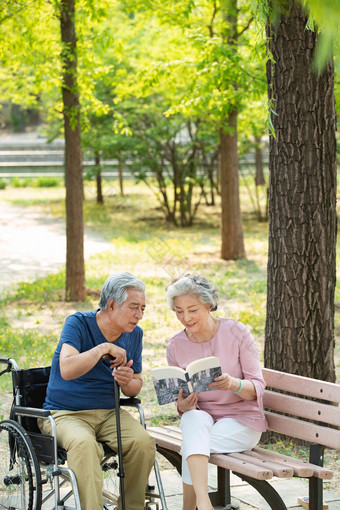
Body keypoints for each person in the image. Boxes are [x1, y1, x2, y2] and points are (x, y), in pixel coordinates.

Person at [38, 272, 156, 510]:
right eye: (134, 307)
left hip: (108, 413)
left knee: (143, 442)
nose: (139, 315)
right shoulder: (78, 323)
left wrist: (126, 382)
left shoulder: (135, 334)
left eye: (143, 308)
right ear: (112, 305)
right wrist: (103, 348)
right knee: (84, 444)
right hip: (64, 414)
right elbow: (67, 368)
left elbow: (136, 387)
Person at [165, 274, 267, 510]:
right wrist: (183, 405)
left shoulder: (237, 332)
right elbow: (180, 404)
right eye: (179, 311)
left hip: (243, 421)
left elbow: (258, 388)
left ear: (208, 305)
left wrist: (234, 384)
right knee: (193, 419)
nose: (185, 318)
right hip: (202, 420)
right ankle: (203, 504)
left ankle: (192, 506)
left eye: (192, 310)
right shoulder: (175, 345)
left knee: (192, 445)